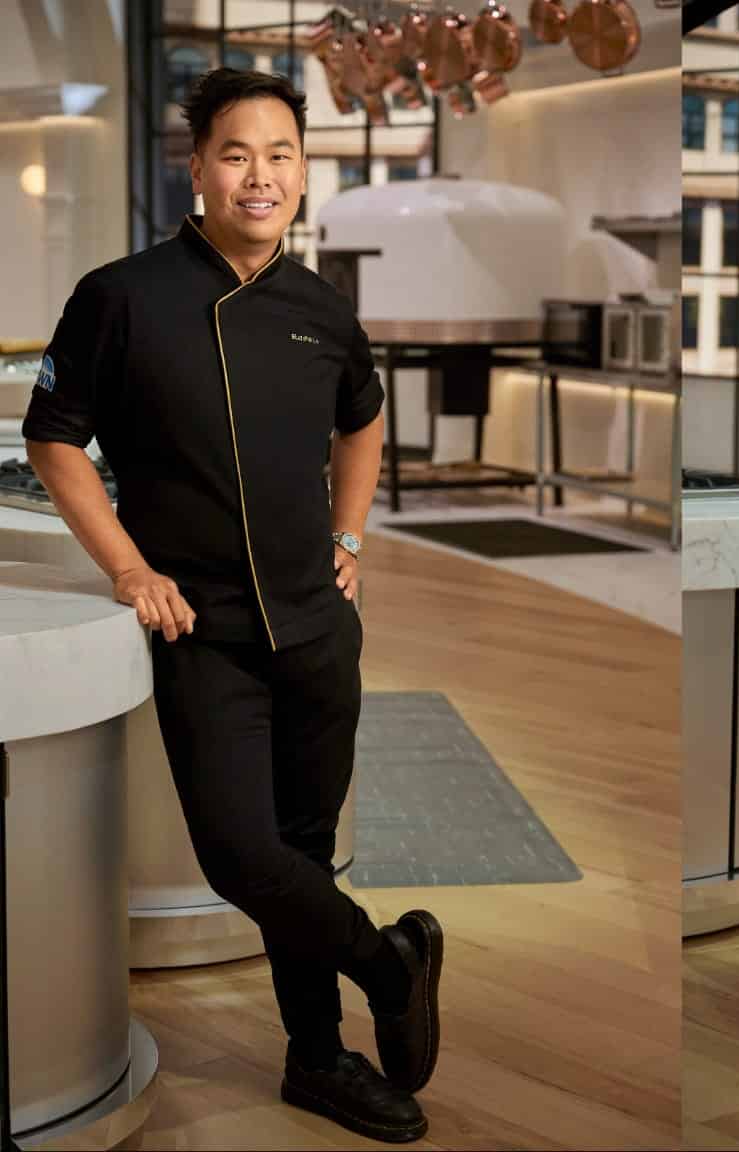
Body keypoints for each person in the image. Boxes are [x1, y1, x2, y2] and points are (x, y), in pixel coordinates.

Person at [23, 69, 443, 1143]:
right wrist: (128, 567)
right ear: (197, 165)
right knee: (241, 859)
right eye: (237, 154)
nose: (261, 175)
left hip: (317, 628)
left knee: (302, 851)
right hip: (200, 629)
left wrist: (350, 537)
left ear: (303, 171)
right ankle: (387, 963)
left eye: (281, 155)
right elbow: (54, 439)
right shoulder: (121, 295)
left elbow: (363, 424)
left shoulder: (319, 307)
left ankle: (318, 1060)